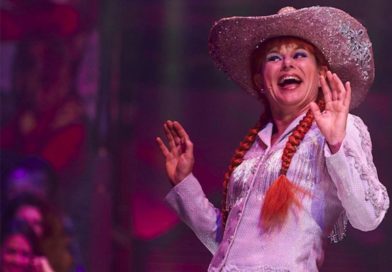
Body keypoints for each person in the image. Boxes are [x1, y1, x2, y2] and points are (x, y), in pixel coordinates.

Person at [156, 6, 389, 271]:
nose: (287, 63)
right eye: (275, 58)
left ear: (322, 73)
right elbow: (229, 245)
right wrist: (184, 182)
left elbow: (369, 216)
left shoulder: (337, 129)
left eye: (299, 55)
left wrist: (337, 145)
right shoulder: (255, 145)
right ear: (260, 81)